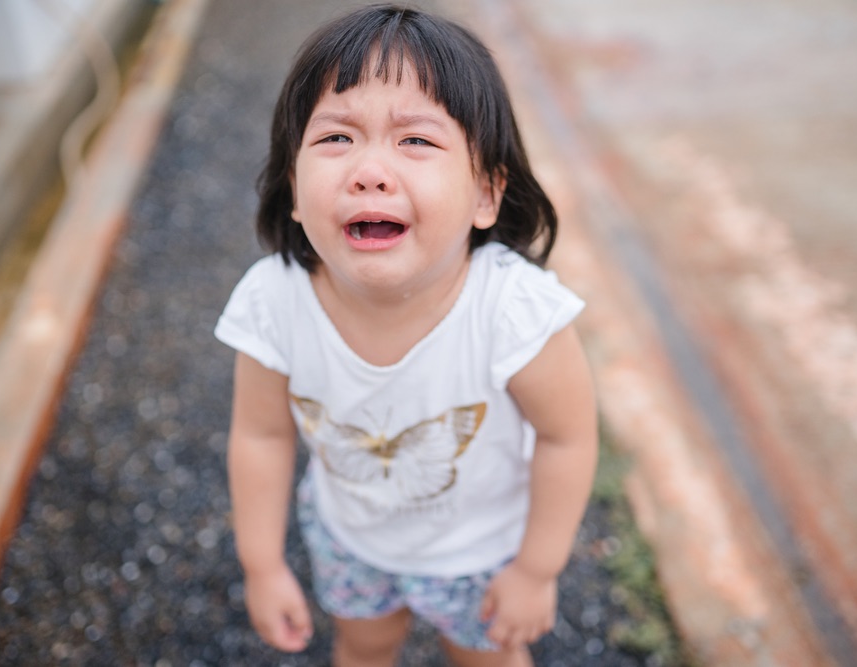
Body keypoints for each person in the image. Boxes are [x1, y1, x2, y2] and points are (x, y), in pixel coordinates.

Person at [215, 5, 597, 666]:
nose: (369, 170)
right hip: (350, 537)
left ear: (486, 193)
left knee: (487, 657)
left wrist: (536, 569)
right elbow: (261, 433)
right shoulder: (274, 302)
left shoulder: (513, 313)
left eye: (415, 141)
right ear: (295, 191)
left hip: (480, 551)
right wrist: (262, 563)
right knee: (363, 646)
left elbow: (567, 437)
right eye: (337, 138)